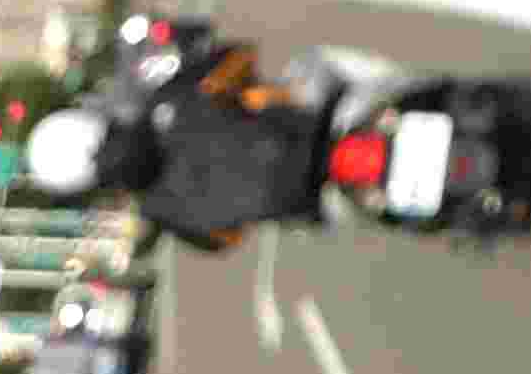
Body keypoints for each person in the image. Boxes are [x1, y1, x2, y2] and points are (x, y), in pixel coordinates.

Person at [26, 45, 335, 256]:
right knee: (296, 76)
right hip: (314, 131)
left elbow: (227, 239)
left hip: (306, 202)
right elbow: (239, 55)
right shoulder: (165, 99)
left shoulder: (158, 212)